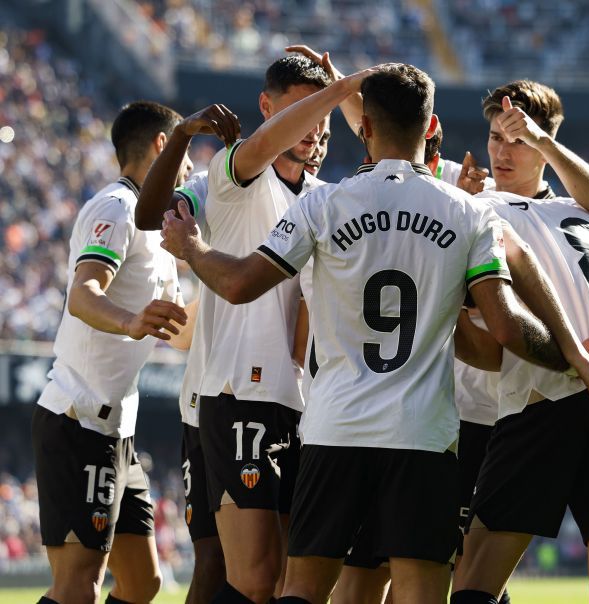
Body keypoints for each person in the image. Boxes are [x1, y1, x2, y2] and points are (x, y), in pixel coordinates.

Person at [160, 63, 589, 604]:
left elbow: (240, 285)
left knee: (304, 587)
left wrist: (192, 248)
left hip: (335, 429)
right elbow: (505, 325)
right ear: (431, 130)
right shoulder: (467, 212)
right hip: (421, 436)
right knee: (419, 591)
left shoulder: (323, 203)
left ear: (364, 130)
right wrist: (571, 356)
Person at [167, 56, 360, 604]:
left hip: (300, 400)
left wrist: (341, 94)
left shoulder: (326, 199)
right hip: (238, 391)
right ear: (268, 109)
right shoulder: (236, 173)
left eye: (323, 118)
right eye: (301, 112)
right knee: (248, 576)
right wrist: (337, 90)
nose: (315, 128)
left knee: (282, 580)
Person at [452, 80, 589, 604]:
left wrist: (542, 142)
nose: (500, 150)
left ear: (542, 144)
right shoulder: (495, 205)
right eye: (495, 136)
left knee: (476, 581)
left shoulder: (568, 210)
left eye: (517, 140)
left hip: (559, 392)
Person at [31, 101, 189, 604]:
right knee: (79, 588)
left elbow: (180, 331)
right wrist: (130, 321)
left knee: (143, 584)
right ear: (162, 146)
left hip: (117, 428)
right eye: (184, 156)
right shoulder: (117, 207)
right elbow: (82, 295)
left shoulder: (160, 228)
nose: (187, 172)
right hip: (79, 417)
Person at [135, 103, 240, 604]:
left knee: (254, 565)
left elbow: (179, 333)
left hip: (280, 402)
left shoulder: (312, 200)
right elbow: (149, 214)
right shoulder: (215, 190)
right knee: (222, 563)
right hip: (209, 407)